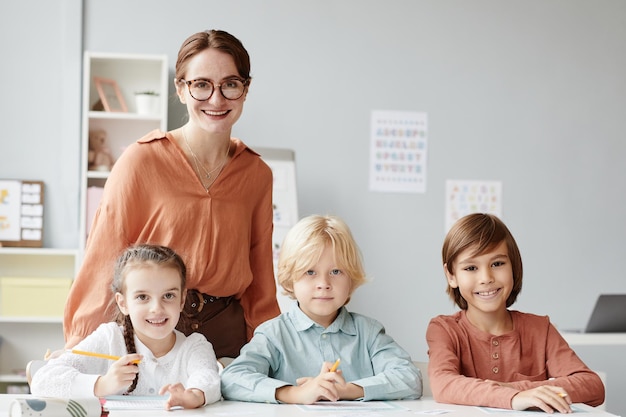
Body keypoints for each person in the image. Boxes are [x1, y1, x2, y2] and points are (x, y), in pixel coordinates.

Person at [64, 29, 281, 358]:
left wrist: (271, 350)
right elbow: (104, 260)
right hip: (154, 328)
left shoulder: (257, 174)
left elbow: (261, 279)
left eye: (230, 84)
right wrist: (80, 354)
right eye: (201, 84)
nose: (217, 99)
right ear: (181, 88)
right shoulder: (141, 160)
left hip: (227, 336)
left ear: (245, 90)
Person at [221, 214, 422, 404]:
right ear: (291, 280)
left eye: (336, 271)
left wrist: (347, 390)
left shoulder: (368, 333)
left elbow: (410, 378)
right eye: (310, 272)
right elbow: (232, 379)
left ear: (350, 279)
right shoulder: (274, 334)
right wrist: (295, 393)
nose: (324, 283)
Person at [426, 213, 605, 413]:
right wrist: (514, 397)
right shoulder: (443, 329)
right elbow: (443, 384)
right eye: (471, 268)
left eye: (497, 264)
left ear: (514, 267)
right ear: (451, 276)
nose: (486, 278)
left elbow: (592, 385)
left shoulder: (540, 329)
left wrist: (515, 389)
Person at [32, 244, 221, 409]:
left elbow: (208, 378)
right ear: (123, 303)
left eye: (169, 296)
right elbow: (43, 380)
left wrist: (194, 396)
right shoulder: (109, 338)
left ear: (182, 300)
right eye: (142, 297)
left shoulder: (195, 346)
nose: (157, 308)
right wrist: (102, 384)